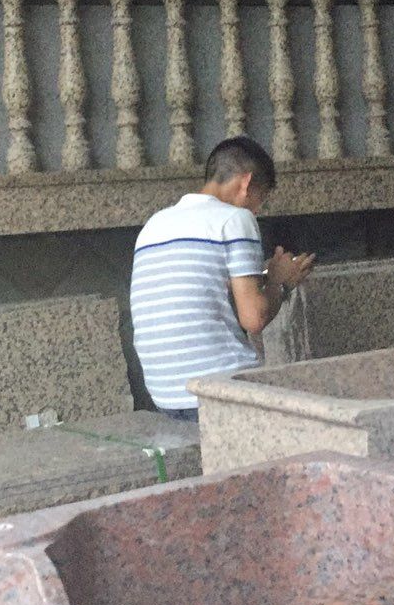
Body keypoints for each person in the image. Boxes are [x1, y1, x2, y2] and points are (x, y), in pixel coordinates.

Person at [130, 136, 315, 418]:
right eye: (260, 199)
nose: (256, 211)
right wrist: (281, 282)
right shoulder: (234, 219)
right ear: (246, 183)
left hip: (165, 395)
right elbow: (254, 319)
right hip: (219, 389)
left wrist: (263, 277)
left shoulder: (153, 226)